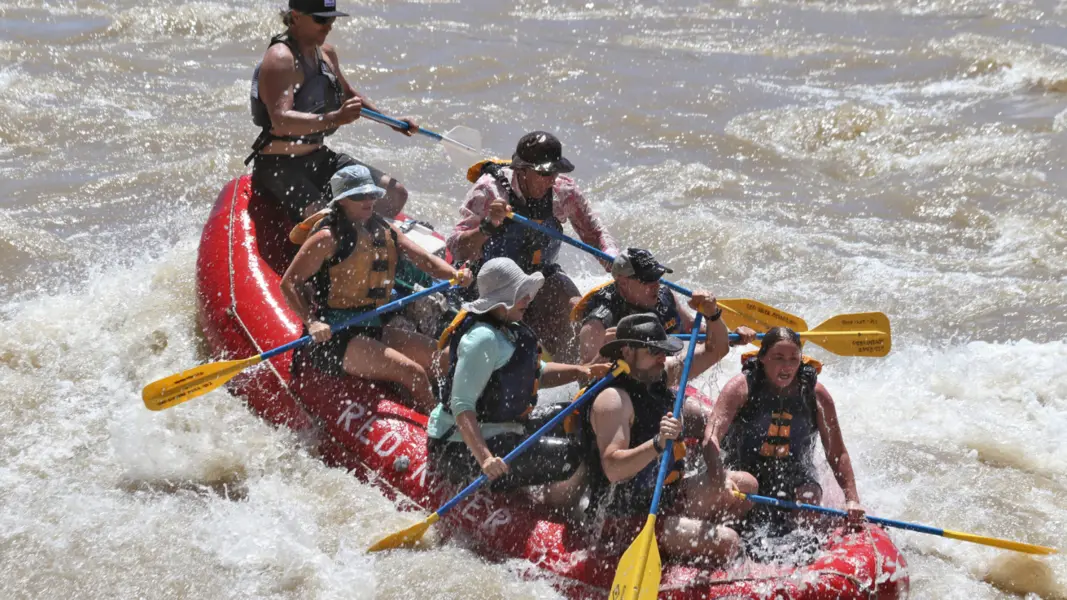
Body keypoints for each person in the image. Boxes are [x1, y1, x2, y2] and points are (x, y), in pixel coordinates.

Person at [280, 165, 472, 413]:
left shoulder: (382, 228)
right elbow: (289, 282)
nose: (369, 200)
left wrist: (454, 274)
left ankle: (454, 408)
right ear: (341, 201)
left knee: (445, 360)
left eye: (371, 194)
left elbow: (423, 258)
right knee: (413, 372)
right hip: (337, 337)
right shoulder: (326, 238)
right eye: (360, 196)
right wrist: (312, 322)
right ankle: (438, 432)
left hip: (374, 325)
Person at [583, 307, 758, 563]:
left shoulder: (658, 377)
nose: (662, 358)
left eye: (663, 351)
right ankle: (688, 548)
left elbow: (715, 350)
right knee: (729, 542)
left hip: (665, 497)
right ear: (627, 352)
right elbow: (613, 468)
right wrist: (657, 443)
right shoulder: (613, 399)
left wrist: (713, 315)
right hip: (626, 518)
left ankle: (686, 542)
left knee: (747, 485)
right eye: (654, 351)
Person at [426, 257, 611, 497]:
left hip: (504, 429)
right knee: (570, 456)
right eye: (520, 293)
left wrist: (580, 371)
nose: (528, 299)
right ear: (501, 300)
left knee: (581, 416)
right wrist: (485, 459)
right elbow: (461, 405)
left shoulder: (509, 329)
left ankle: (556, 495)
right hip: (458, 447)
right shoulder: (483, 339)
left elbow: (536, 373)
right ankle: (552, 506)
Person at [446, 131, 619, 364]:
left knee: (582, 315)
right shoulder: (488, 191)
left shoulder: (564, 192)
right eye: (543, 173)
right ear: (522, 170)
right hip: (491, 284)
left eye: (555, 172)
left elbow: (596, 235)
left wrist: (616, 264)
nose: (551, 179)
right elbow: (457, 248)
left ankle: (584, 379)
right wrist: (487, 226)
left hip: (541, 277)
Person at [249, 0, 417, 222]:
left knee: (395, 194)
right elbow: (281, 120)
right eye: (321, 19)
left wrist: (391, 121)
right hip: (279, 165)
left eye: (332, 19)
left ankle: (366, 239)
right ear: (296, 16)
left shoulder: (327, 54)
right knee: (325, 220)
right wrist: (335, 118)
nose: (328, 26)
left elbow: (348, 95)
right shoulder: (281, 57)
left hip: (319, 158)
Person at [703, 327, 865, 529]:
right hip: (743, 471)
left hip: (794, 474)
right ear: (762, 358)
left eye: (793, 359)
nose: (786, 366)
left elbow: (837, 453)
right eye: (778, 358)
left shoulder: (816, 395)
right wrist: (719, 478)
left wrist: (852, 499)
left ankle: (803, 551)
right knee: (747, 485)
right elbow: (711, 437)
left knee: (809, 496)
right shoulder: (740, 388)